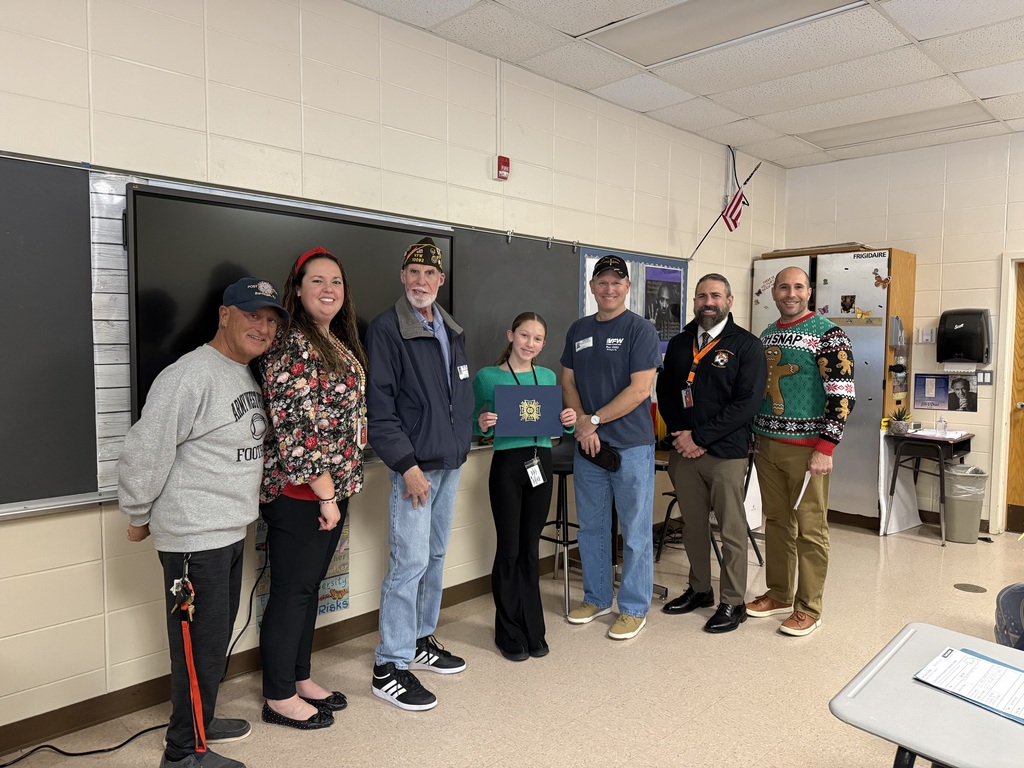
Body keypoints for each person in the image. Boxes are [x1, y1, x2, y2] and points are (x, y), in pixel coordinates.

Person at [119, 277, 288, 768]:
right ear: (224, 314)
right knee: (195, 645)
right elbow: (147, 448)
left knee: (212, 639)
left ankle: (203, 719)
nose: (263, 327)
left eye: (272, 320)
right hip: (194, 535)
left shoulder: (242, 373)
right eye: (253, 315)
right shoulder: (189, 374)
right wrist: (137, 512)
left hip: (229, 529)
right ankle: (182, 752)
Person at [258, 247, 367, 730]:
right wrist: (325, 494)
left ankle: (300, 677)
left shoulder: (331, 339)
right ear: (297, 289)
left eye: (336, 283)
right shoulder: (291, 344)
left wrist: (334, 494)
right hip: (302, 494)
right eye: (318, 281)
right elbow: (295, 429)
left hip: (329, 492)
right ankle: (278, 695)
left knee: (308, 591)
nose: (329, 290)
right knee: (291, 593)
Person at [366, 237, 474, 710]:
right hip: (415, 468)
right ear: (402, 277)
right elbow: (381, 407)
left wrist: (464, 441)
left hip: (448, 463)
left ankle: (420, 639)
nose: (421, 281)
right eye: (414, 273)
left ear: (441, 281)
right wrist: (406, 466)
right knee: (408, 563)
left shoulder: (453, 329)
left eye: (430, 275)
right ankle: (389, 663)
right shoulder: (389, 329)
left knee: (434, 555)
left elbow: (458, 396)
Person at [745, 266, 855, 637]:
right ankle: (778, 593)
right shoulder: (767, 334)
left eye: (797, 287)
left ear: (809, 292)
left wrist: (826, 447)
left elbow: (842, 395)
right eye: (783, 287)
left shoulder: (829, 335)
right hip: (767, 443)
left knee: (810, 530)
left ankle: (809, 607)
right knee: (776, 523)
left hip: (808, 451)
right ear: (773, 293)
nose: (789, 293)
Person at [657, 273, 767, 633]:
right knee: (692, 529)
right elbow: (668, 393)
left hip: (725, 454)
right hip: (683, 452)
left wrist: (700, 437)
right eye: (702, 296)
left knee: (732, 531)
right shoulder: (679, 343)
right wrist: (680, 436)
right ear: (693, 302)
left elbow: (746, 405)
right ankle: (700, 590)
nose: (708, 302)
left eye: (715, 295)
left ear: (729, 301)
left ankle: (733, 602)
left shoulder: (747, 346)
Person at [560, 254, 662, 640]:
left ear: (628, 288)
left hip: (631, 447)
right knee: (592, 527)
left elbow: (639, 390)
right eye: (602, 281)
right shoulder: (578, 329)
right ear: (591, 287)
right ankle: (597, 597)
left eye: (617, 282)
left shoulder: (640, 330)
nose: (609, 288)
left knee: (635, 530)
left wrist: (594, 420)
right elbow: (567, 381)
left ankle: (634, 608)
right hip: (588, 447)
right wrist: (584, 425)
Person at [473, 312, 577, 661]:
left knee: (531, 551)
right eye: (524, 335)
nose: (529, 343)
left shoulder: (547, 376)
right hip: (507, 465)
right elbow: (474, 420)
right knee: (510, 549)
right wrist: (484, 423)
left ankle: (535, 629)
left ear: (543, 344)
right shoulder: (488, 377)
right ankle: (508, 631)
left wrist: (567, 421)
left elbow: (555, 426)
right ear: (511, 336)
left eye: (537, 338)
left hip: (540, 463)